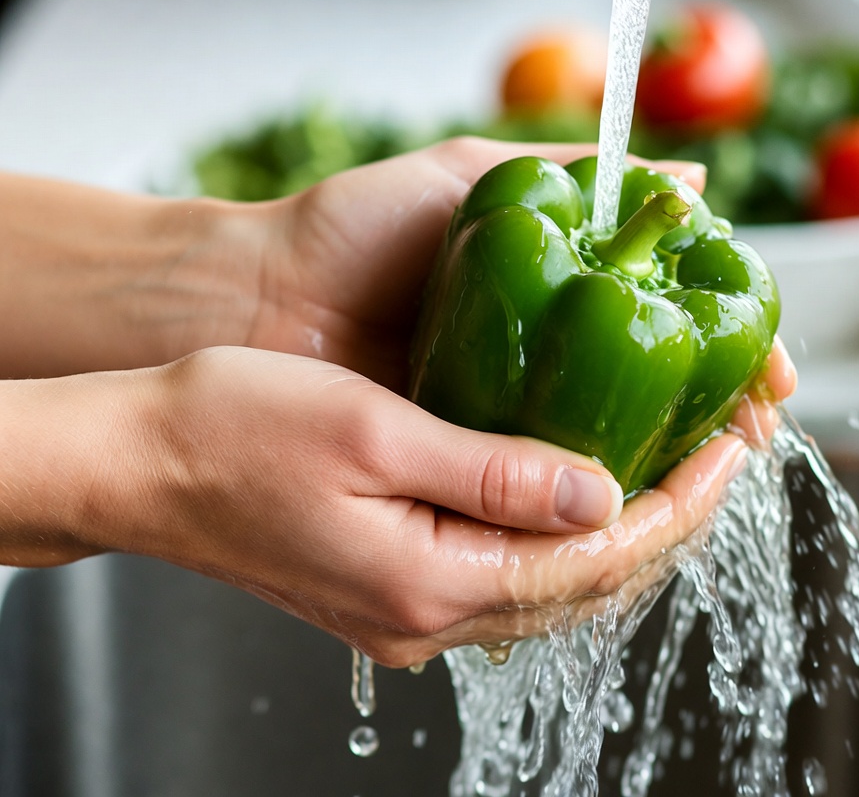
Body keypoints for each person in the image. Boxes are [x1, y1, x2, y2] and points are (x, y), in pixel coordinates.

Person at [0, 137, 795, 667]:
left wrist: (261, 279)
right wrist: (159, 461)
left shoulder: (535, 224)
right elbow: (160, 459)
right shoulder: (543, 229)